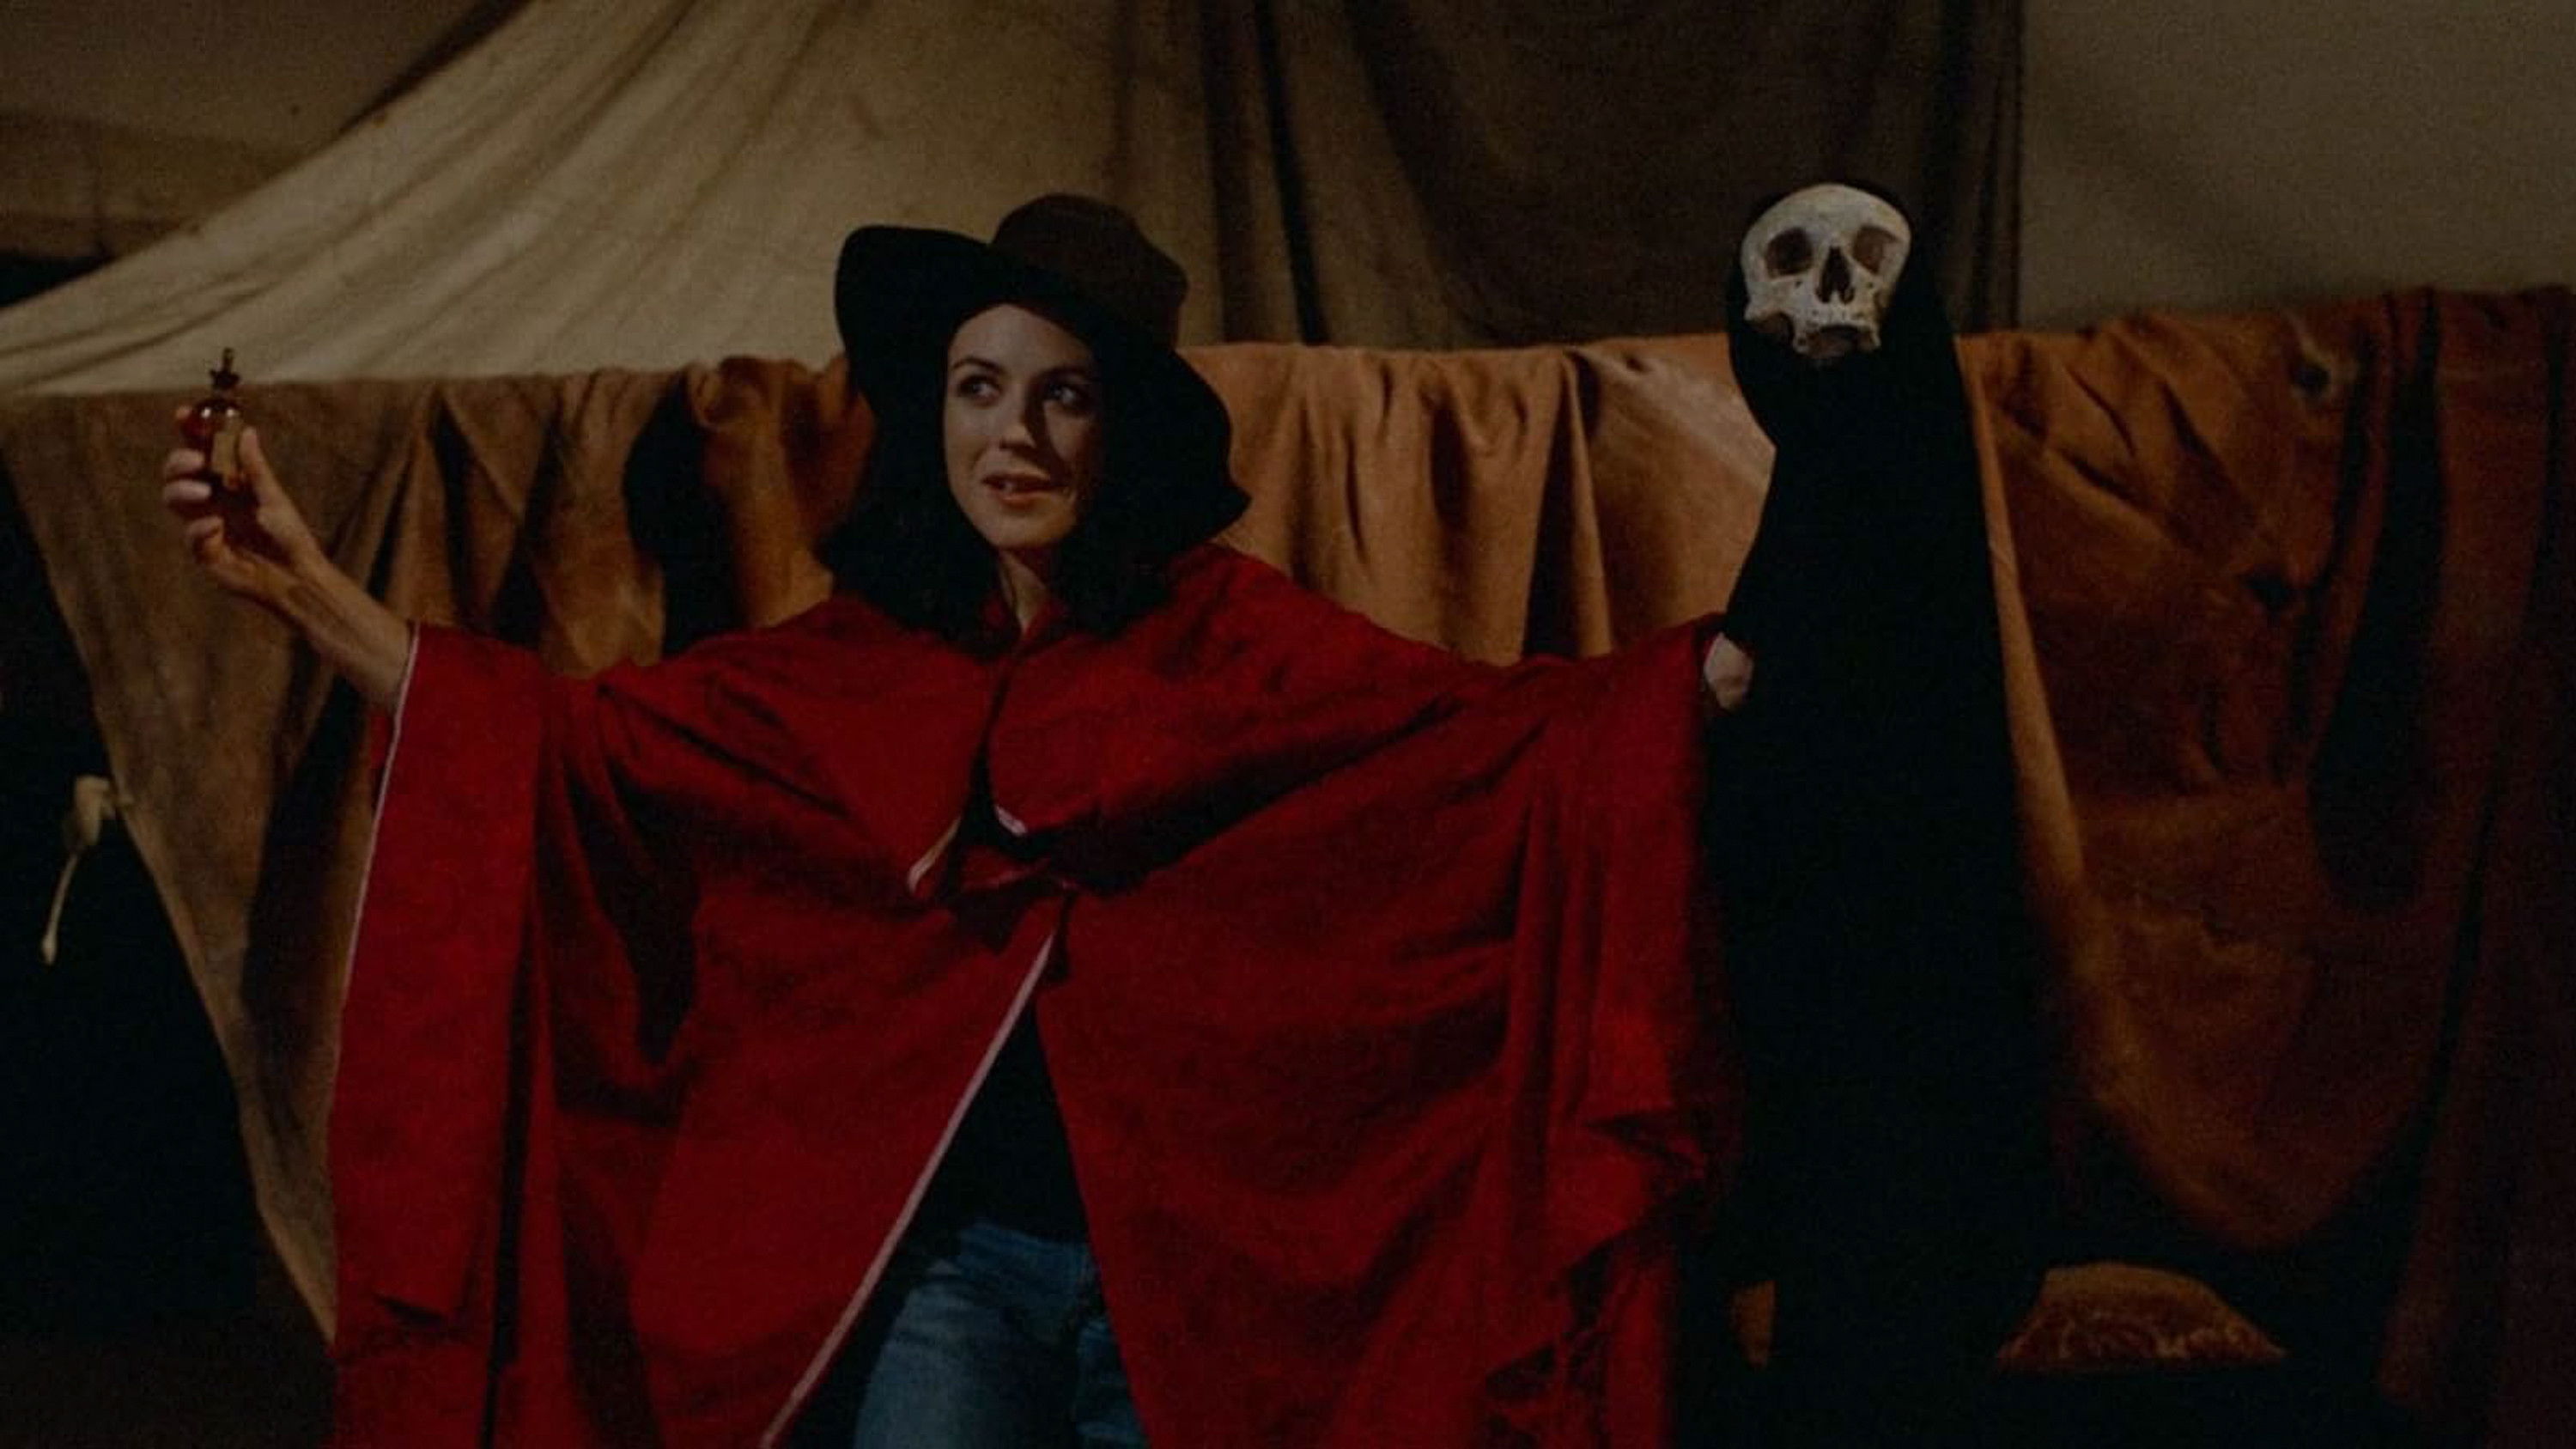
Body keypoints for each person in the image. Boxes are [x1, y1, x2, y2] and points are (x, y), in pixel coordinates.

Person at [161, 193, 2037, 1446]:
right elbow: (576, 752)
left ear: (1118, 428)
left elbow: (1506, 750)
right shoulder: (848, 671)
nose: (1018, 436)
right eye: (981, 391)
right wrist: (307, 586)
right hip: (952, 1288)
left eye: (1063, 398)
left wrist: (1745, 626)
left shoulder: (1246, 648)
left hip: (1192, 1290)